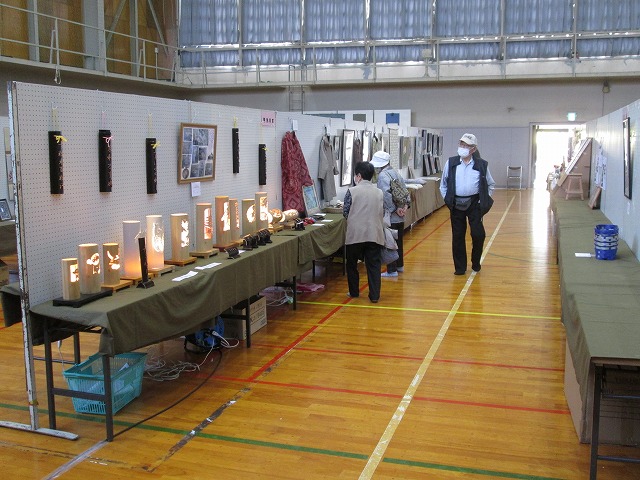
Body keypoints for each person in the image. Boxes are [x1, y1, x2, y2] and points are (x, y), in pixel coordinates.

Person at [440, 133, 495, 275]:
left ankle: (476, 262)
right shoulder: (451, 163)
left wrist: (484, 201)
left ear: (473, 149)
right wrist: (447, 199)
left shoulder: (481, 165)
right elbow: (443, 184)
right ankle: (460, 268)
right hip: (455, 203)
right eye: (461, 144)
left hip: (474, 203)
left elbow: (490, 184)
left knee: (478, 234)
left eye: (466, 146)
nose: (462, 147)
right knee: (458, 236)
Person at [343, 161, 385, 303]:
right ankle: (374, 296)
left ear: (359, 176)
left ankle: (354, 291)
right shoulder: (379, 192)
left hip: (355, 234)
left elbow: (345, 212)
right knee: (374, 265)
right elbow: (382, 211)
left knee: (352, 264)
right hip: (374, 233)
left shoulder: (351, 191)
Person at [371, 151, 410, 277]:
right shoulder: (395, 172)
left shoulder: (382, 175)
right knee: (399, 242)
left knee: (390, 242)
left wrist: (393, 209)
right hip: (401, 214)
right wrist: (404, 207)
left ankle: (391, 270)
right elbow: (405, 190)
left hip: (391, 215)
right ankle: (399, 265)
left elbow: (385, 195)